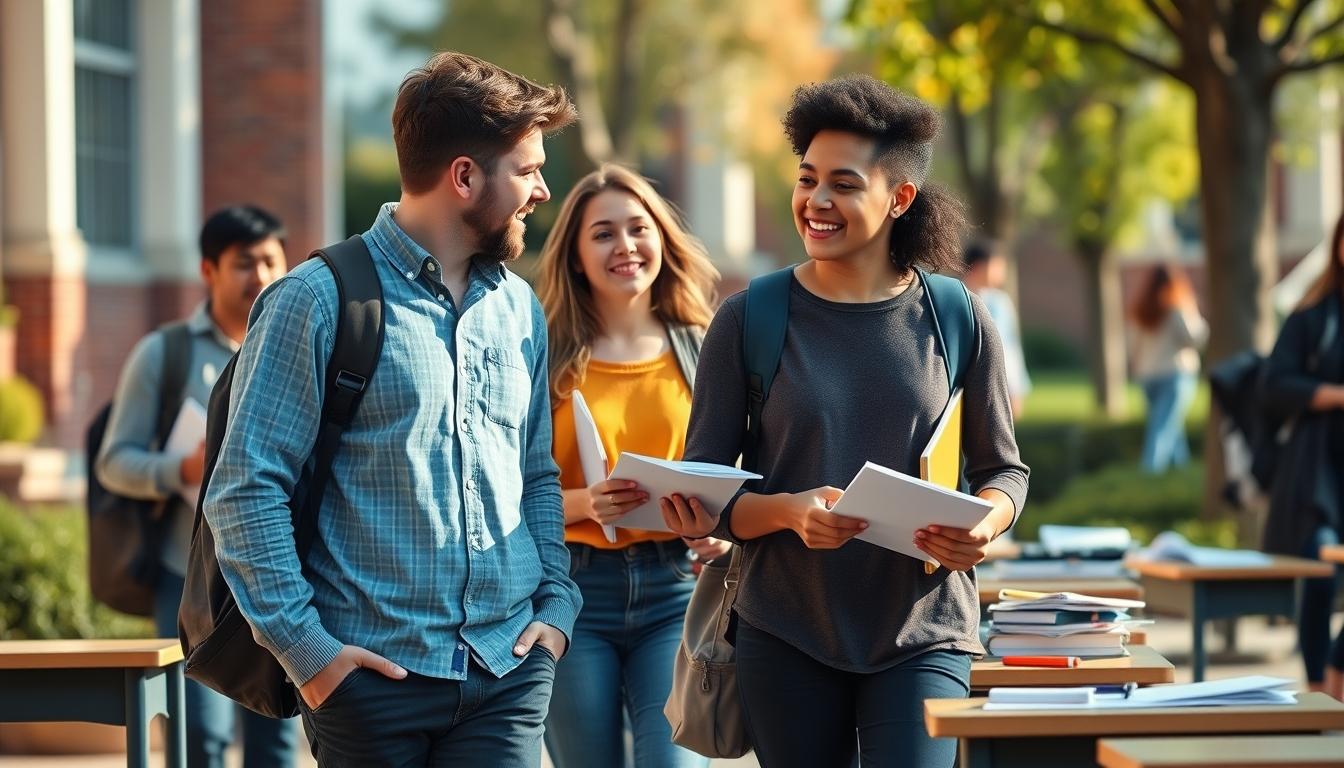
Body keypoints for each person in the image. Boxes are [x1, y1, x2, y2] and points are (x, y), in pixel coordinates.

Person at [201, 52, 582, 767]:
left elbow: (536, 475)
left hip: (507, 672)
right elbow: (245, 492)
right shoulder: (315, 300)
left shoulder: (521, 311)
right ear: (464, 176)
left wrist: (555, 609)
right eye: (528, 170)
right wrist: (311, 657)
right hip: (369, 683)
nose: (542, 189)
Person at [660, 75, 1029, 768]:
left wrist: (987, 519)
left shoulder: (957, 316)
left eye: (843, 184)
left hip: (926, 631)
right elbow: (707, 492)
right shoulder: (748, 318)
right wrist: (787, 512)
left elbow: (1003, 468)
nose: (816, 201)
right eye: (807, 180)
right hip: (785, 631)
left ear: (899, 198)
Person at [534, 164, 730, 768]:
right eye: (602, 233)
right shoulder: (540, 350)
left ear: (662, 239)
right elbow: (498, 489)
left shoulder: (704, 343)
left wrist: (723, 532)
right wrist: (583, 504)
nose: (625, 246)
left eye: (638, 228)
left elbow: (741, 467)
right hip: (570, 591)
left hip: (676, 588)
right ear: (575, 255)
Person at [96, 205, 295, 768]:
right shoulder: (165, 353)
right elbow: (115, 462)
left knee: (276, 737)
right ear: (208, 270)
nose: (261, 276)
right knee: (199, 735)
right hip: (189, 582)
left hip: (278, 577)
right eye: (244, 263)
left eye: (271, 261)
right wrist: (181, 470)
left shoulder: (295, 344)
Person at [1262, 212, 1344, 700]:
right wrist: (1335, 395)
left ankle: (1335, 669)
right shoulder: (1313, 316)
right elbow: (1274, 384)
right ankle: (1317, 693)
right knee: (1321, 570)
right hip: (1319, 472)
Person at [1128, 263, 1208, 473]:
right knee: (1162, 428)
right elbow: (1193, 339)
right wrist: (1199, 319)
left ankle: (1181, 471)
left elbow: (1132, 346)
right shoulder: (1175, 310)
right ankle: (1150, 474)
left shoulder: (1141, 312)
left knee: (1170, 425)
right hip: (1174, 374)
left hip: (1148, 375)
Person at [962, 239, 1031, 417]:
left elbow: (1010, 347)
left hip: (996, 385)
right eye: (997, 265)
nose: (1002, 272)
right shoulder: (957, 299)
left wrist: (1015, 388)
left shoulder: (1000, 303)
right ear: (979, 266)